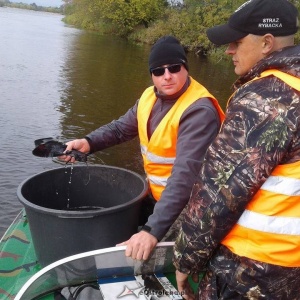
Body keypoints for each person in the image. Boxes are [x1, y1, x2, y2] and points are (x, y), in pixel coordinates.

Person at [173, 0, 300, 299]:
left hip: (249, 273)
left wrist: (185, 259)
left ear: (267, 43)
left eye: (236, 42)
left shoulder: (267, 97)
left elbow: (219, 191)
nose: (229, 50)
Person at [62, 36, 225, 261]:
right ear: (152, 75)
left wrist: (151, 231)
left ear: (185, 68)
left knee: (137, 254)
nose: (167, 76)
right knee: (119, 228)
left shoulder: (199, 111)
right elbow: (120, 129)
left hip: (191, 205)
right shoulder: (149, 96)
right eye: (158, 71)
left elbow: (185, 177)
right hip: (159, 195)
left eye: (174, 68)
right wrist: (89, 143)